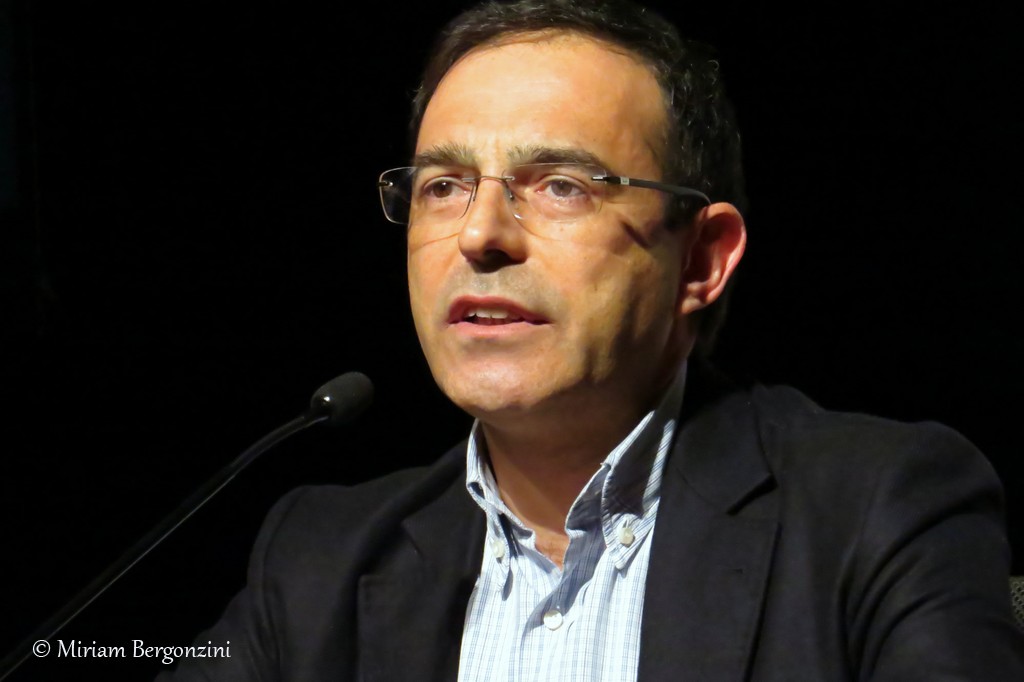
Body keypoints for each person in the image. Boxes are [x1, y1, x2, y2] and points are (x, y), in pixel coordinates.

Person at [160, 1, 1024, 679]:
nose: (479, 235)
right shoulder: (319, 559)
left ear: (701, 259)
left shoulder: (879, 511)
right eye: (444, 186)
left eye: (561, 185)